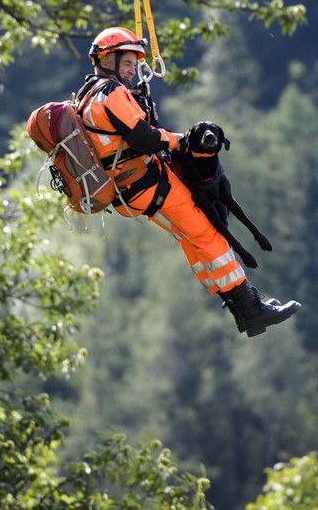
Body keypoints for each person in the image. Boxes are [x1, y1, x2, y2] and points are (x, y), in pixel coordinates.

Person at [76, 26, 300, 337]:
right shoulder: (111, 94)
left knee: (192, 238)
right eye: (126, 63)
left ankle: (240, 307)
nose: (130, 70)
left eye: (131, 64)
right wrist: (179, 141)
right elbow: (146, 138)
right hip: (149, 182)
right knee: (209, 236)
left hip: (128, 190)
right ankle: (253, 310)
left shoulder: (86, 96)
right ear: (107, 60)